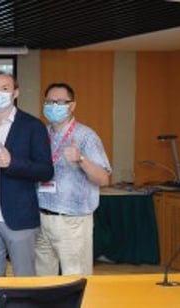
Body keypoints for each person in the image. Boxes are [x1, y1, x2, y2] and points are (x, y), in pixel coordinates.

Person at [0, 72, 54, 277]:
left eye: (5, 89)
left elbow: (46, 170)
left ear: (15, 93)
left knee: (24, 278)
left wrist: (13, 163)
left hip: (18, 217)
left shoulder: (32, 126)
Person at [35, 83, 111, 276]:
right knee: (42, 281)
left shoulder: (86, 136)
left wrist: (81, 159)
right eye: (49, 101)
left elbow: (103, 179)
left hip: (72, 221)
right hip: (41, 218)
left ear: (72, 105)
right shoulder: (41, 133)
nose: (54, 106)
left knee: (75, 278)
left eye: (60, 101)